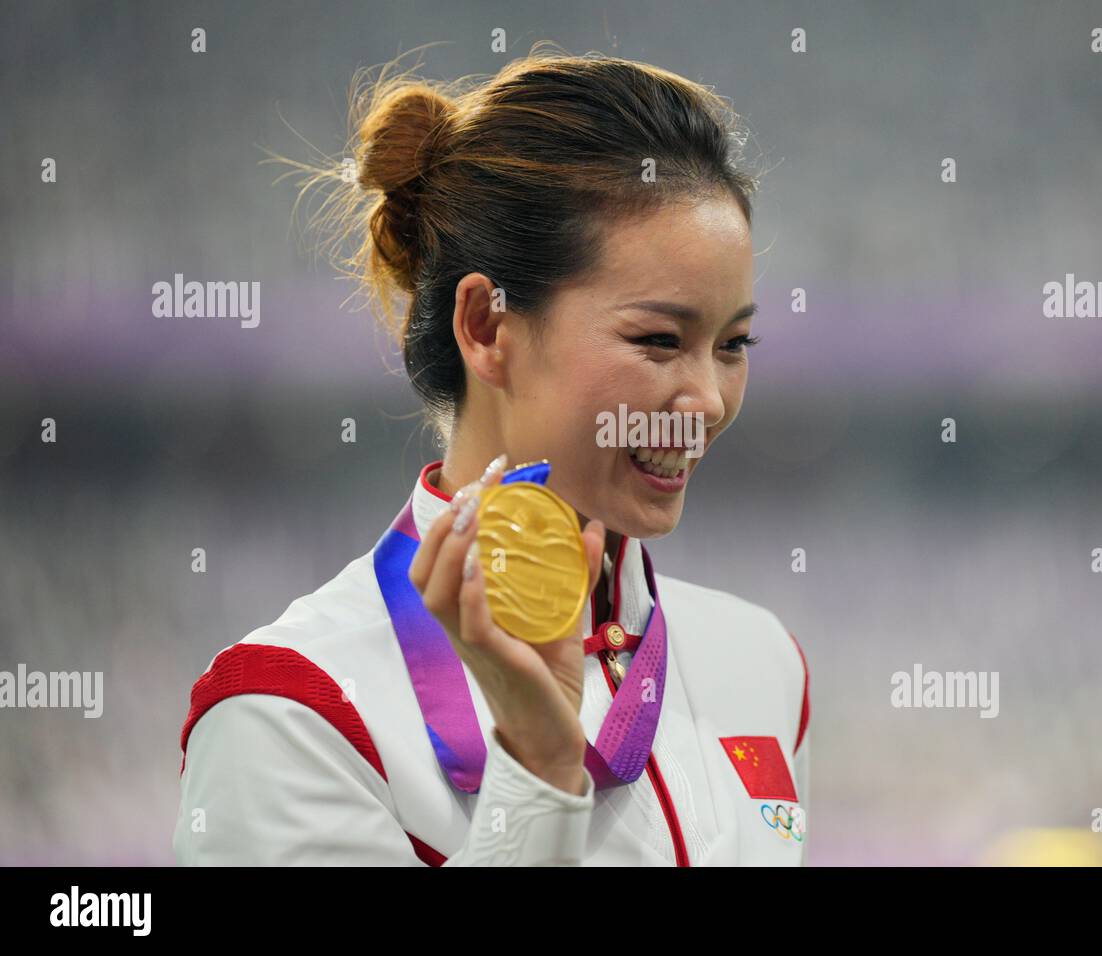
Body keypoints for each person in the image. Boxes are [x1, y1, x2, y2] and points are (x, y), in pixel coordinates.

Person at [172, 46, 810, 866]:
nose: (709, 401)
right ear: (486, 327)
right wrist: (538, 776)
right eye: (658, 340)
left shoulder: (761, 662)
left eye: (734, 343)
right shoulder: (294, 712)